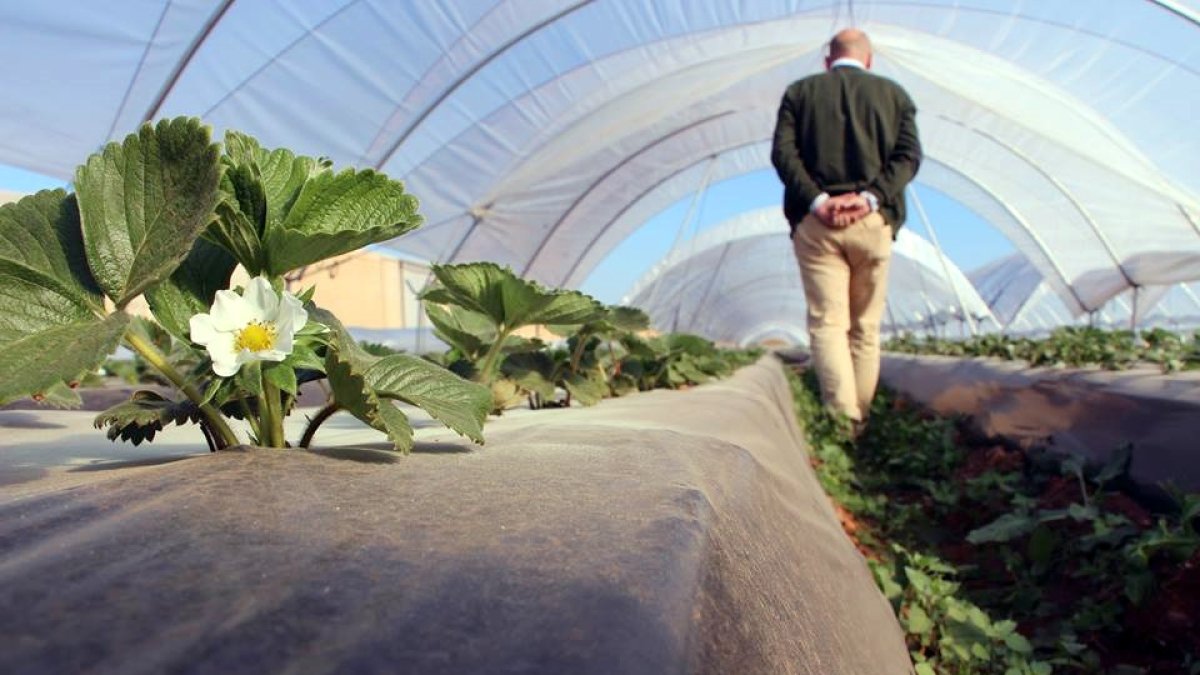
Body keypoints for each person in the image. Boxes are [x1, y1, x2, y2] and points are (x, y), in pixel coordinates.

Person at [770, 28, 921, 428]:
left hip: (818, 226)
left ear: (828, 60)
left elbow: (784, 154)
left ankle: (842, 420)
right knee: (865, 327)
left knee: (828, 323)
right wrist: (870, 198)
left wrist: (818, 201)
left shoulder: (799, 94)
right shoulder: (894, 96)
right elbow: (908, 157)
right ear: (868, 60)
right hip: (872, 223)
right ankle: (861, 420)